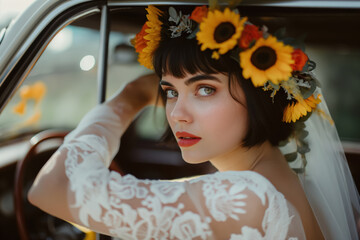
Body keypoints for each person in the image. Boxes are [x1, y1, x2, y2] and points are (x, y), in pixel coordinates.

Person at [28, 4, 360, 240]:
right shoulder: (288, 180)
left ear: (262, 95)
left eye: (204, 89)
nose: (176, 113)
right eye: (169, 90)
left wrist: (131, 96)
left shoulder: (249, 197)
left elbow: (52, 187)